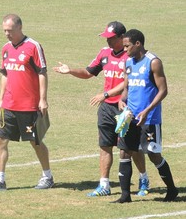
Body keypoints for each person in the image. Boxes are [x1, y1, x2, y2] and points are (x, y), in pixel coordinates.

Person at [53, 21, 149, 197]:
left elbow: (127, 84)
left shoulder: (131, 57)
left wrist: (105, 94)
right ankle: (104, 184)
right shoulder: (104, 54)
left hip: (125, 106)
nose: (108, 42)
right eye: (106, 38)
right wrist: (70, 71)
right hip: (106, 108)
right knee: (104, 145)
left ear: (122, 38)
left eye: (111, 38)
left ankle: (143, 178)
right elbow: (89, 72)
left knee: (129, 147)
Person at [0, 14, 54, 192]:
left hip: (28, 107)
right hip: (9, 106)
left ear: (20, 28)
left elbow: (42, 73)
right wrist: (1, 99)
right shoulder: (5, 48)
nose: (7, 34)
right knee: (1, 141)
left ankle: (47, 176)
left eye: (10, 30)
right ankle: (0, 180)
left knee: (35, 141)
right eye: (5, 30)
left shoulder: (33, 46)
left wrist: (43, 99)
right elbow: (4, 74)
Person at [113, 29, 179, 203]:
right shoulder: (128, 62)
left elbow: (163, 90)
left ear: (138, 44)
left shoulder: (153, 62)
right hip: (130, 118)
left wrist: (147, 110)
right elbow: (126, 88)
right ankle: (125, 196)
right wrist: (121, 100)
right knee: (125, 152)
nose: (125, 50)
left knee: (153, 154)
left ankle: (172, 190)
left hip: (149, 119)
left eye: (127, 46)